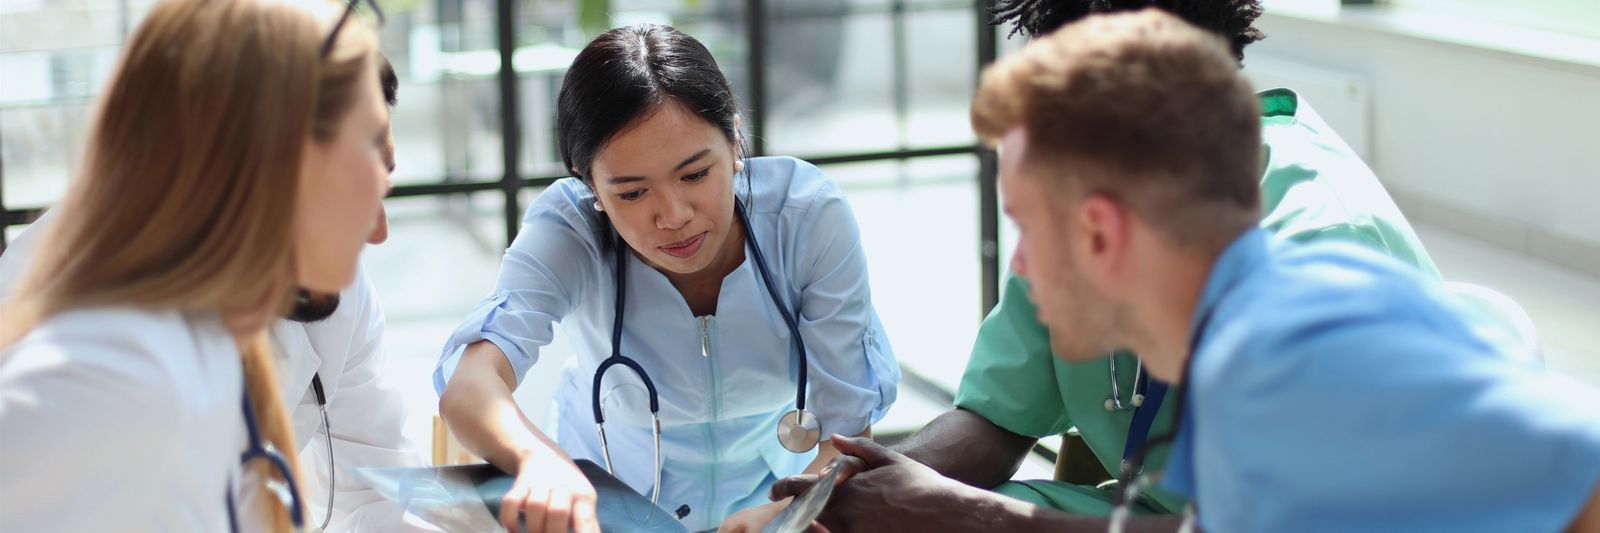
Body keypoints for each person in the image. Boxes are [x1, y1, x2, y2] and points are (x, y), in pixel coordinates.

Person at [778, 9, 1600, 532]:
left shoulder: (1289, 345)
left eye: (1026, 227)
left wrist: (963, 515)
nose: (1017, 265)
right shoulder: (1239, 333)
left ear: (1099, 231)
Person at [433, 23, 900, 533]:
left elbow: (849, 430)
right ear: (587, 181)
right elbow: (471, 387)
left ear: (735, 140)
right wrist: (541, 463)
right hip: (605, 506)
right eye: (631, 193)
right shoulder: (569, 229)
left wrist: (787, 513)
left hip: (778, 497)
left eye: (696, 174)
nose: (673, 215)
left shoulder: (806, 218)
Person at [0, 0, 388, 531]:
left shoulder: (203, 351)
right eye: (370, 151)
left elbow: (379, 480)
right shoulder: (94, 389)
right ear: (269, 166)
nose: (380, 228)